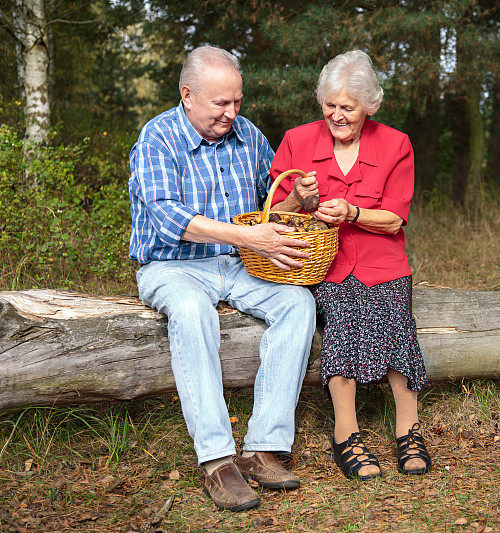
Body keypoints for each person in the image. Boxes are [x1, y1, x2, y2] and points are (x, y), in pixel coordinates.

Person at [128, 46, 318, 511]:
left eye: (237, 101)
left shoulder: (248, 135)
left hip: (236, 263)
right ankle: (217, 461)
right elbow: (169, 218)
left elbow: (268, 209)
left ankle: (263, 448)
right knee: (192, 311)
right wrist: (249, 237)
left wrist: (296, 198)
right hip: (172, 266)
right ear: (188, 95)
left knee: (298, 304)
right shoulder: (157, 137)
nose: (232, 113)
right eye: (221, 104)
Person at [270, 49, 431, 480]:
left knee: (394, 312)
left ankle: (408, 429)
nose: (337, 116)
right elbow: (274, 215)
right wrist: (298, 200)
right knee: (342, 314)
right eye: (330, 106)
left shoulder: (395, 143)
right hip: (321, 262)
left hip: (383, 258)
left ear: (369, 107)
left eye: (348, 108)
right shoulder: (297, 140)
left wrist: (353, 213)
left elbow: (395, 217)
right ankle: (347, 432)